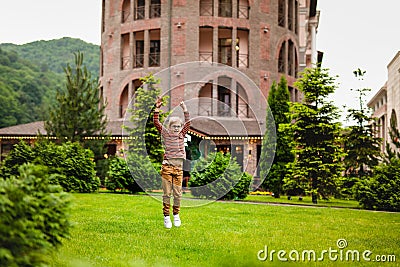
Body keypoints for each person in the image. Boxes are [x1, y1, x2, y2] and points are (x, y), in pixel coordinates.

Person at [153, 97, 190, 229]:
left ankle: (176, 215)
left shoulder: (182, 135)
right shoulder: (166, 134)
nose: (176, 128)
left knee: (178, 194)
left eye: (178, 126)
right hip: (167, 168)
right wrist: (157, 108)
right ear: (169, 127)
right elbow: (156, 122)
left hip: (179, 169)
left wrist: (185, 109)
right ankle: (166, 216)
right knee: (167, 194)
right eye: (174, 126)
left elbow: (188, 123)